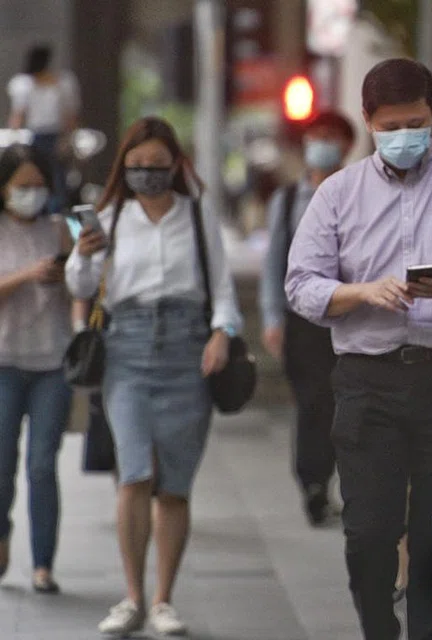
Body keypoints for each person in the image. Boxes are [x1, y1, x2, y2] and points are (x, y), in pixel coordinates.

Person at [285, 58, 432, 640]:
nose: (404, 136)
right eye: (391, 126)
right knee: (369, 530)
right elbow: (300, 283)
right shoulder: (339, 194)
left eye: (415, 122)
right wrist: (361, 292)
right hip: (367, 380)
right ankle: (376, 625)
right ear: (368, 121)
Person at [65, 116, 242, 637]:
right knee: (134, 473)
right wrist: (82, 253)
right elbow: (80, 284)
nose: (146, 175)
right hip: (128, 348)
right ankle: (133, 597)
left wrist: (222, 332)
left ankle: (164, 598)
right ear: (125, 166)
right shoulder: (110, 215)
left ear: (175, 165)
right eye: (137, 166)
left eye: (157, 166)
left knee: (176, 484)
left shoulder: (197, 211)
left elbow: (222, 282)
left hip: (189, 348)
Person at [260, 109, 356, 526]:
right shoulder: (286, 201)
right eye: (316, 136)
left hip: (352, 312)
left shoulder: (360, 192)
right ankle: (313, 483)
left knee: (346, 402)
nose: (322, 144)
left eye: (331, 137)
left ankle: (344, 482)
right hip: (303, 318)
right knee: (313, 403)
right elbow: (273, 263)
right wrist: (271, 318)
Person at [0, 144, 73, 594]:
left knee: (43, 465)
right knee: (2, 463)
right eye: (22, 186)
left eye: (39, 186)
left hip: (53, 362)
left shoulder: (62, 228)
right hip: (4, 363)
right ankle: (2, 537)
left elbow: (91, 278)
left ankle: (43, 562)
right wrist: (27, 275)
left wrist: (72, 271)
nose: (32, 194)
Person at [7, 45, 81, 213]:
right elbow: (18, 114)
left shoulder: (63, 82)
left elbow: (69, 115)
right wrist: (14, 139)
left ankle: (57, 210)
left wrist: (67, 139)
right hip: (37, 135)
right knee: (38, 173)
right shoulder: (25, 84)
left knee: (57, 178)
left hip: (56, 135)